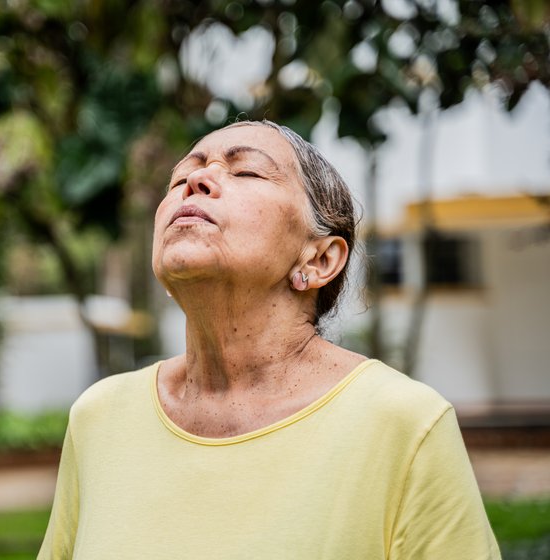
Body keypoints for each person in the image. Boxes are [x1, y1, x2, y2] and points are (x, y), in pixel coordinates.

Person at [38, 120, 500, 559]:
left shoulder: (404, 424)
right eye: (181, 177)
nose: (196, 183)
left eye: (246, 170)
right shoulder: (99, 419)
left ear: (319, 259)